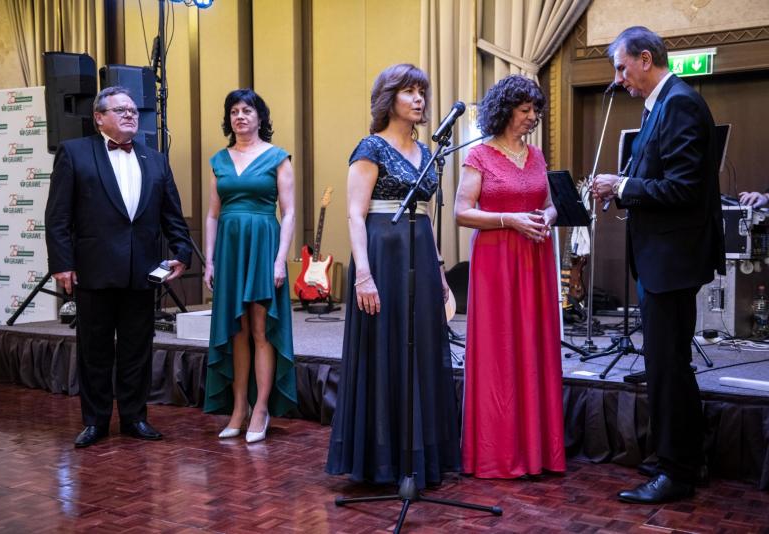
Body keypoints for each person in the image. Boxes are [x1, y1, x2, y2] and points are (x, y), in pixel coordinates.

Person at [593, 26, 725, 504]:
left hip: (672, 261)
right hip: (661, 259)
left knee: (667, 367)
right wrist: (622, 184)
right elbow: (660, 178)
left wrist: (623, 186)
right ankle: (684, 456)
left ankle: (676, 472)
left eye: (622, 67)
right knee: (668, 365)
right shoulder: (660, 105)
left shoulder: (680, 104)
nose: (619, 78)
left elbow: (684, 188)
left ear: (645, 59)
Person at [325, 64, 461, 488]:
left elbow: (426, 217)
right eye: (409, 91)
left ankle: (418, 456)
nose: (419, 99)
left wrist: (440, 270)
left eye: (422, 91)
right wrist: (363, 275)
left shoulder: (426, 151)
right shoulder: (371, 147)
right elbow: (355, 214)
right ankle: (381, 458)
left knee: (420, 349)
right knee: (385, 349)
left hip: (420, 253)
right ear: (389, 98)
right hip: (382, 255)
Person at [45, 86, 192, 448]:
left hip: (142, 271)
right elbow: (58, 216)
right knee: (94, 350)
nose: (130, 114)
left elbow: (172, 213)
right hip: (94, 270)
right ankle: (95, 422)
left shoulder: (155, 159)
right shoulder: (74, 153)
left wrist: (182, 251)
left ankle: (134, 417)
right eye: (121, 109)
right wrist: (62, 264)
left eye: (133, 110)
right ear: (99, 117)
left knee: (136, 349)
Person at [453, 75, 565, 479]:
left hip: (535, 258)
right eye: (525, 110)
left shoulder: (536, 156)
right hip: (496, 261)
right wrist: (509, 220)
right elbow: (462, 212)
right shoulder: (479, 155)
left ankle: (538, 450)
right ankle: (497, 452)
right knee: (499, 349)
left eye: (536, 110)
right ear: (505, 112)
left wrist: (546, 217)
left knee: (534, 347)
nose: (532, 117)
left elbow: (551, 204)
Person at [202, 89, 297, 443]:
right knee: (237, 330)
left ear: (260, 117)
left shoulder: (278, 158)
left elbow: (289, 213)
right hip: (229, 249)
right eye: (234, 111)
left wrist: (279, 260)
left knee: (260, 329)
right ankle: (239, 407)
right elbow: (212, 215)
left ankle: (261, 408)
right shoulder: (219, 160)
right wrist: (209, 260)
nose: (240, 116)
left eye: (247, 110)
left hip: (263, 246)